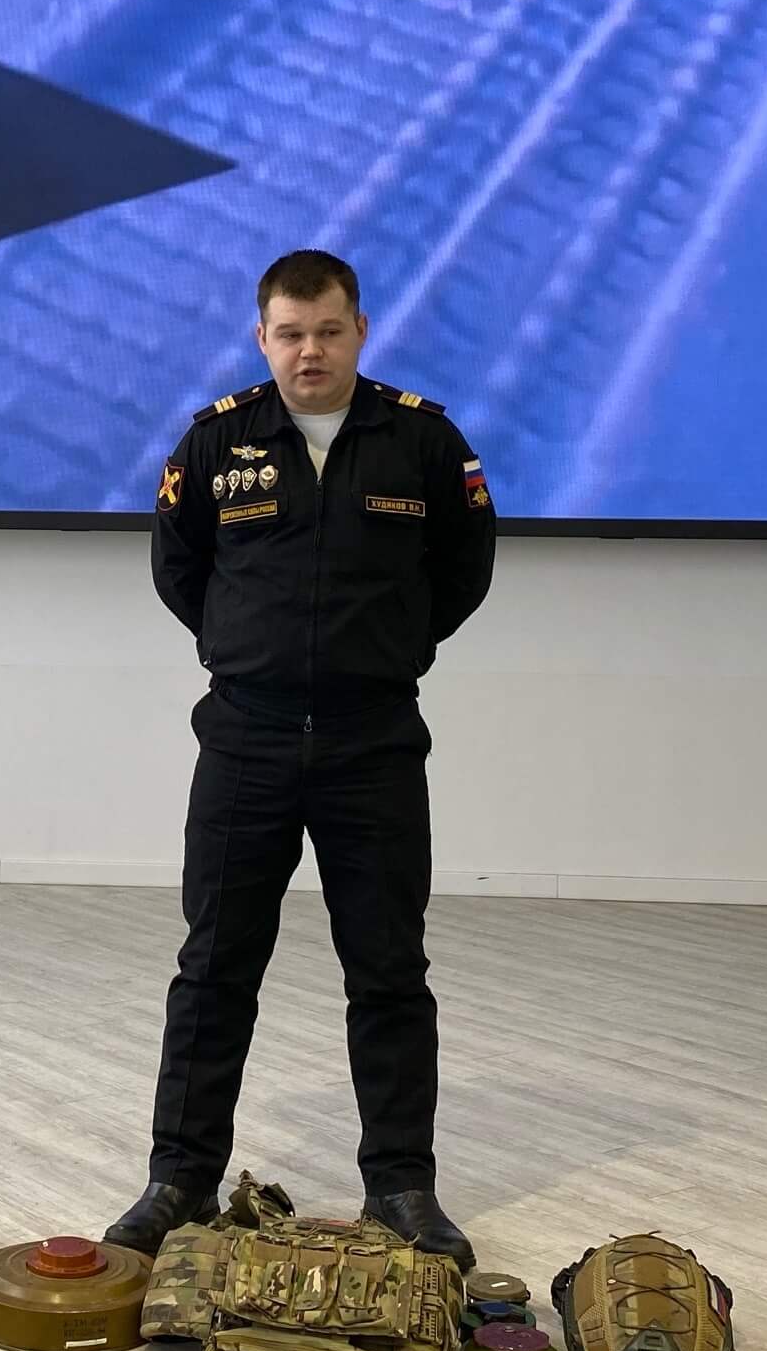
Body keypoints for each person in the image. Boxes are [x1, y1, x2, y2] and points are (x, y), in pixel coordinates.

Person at [107, 251, 497, 1268]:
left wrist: (386, 650)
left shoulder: (422, 440)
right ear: (263, 338)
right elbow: (179, 568)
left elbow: (463, 572)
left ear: (359, 330)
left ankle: (402, 1187)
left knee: (389, 970)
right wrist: (251, 651)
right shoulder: (216, 441)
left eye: (327, 331)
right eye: (289, 334)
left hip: (375, 741)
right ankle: (179, 1179)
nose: (309, 351)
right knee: (213, 967)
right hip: (247, 738)